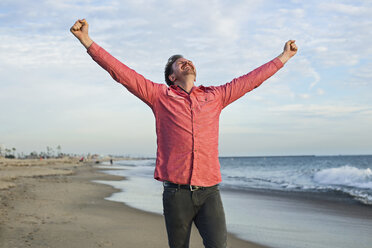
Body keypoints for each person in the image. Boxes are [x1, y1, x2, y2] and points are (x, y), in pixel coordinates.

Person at [70, 19, 297, 248]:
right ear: (172, 77)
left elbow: (251, 81)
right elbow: (121, 72)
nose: (186, 63)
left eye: (188, 61)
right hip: (176, 194)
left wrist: (284, 57)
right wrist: (87, 40)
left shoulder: (215, 97)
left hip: (210, 193)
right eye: (180, 63)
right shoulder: (159, 96)